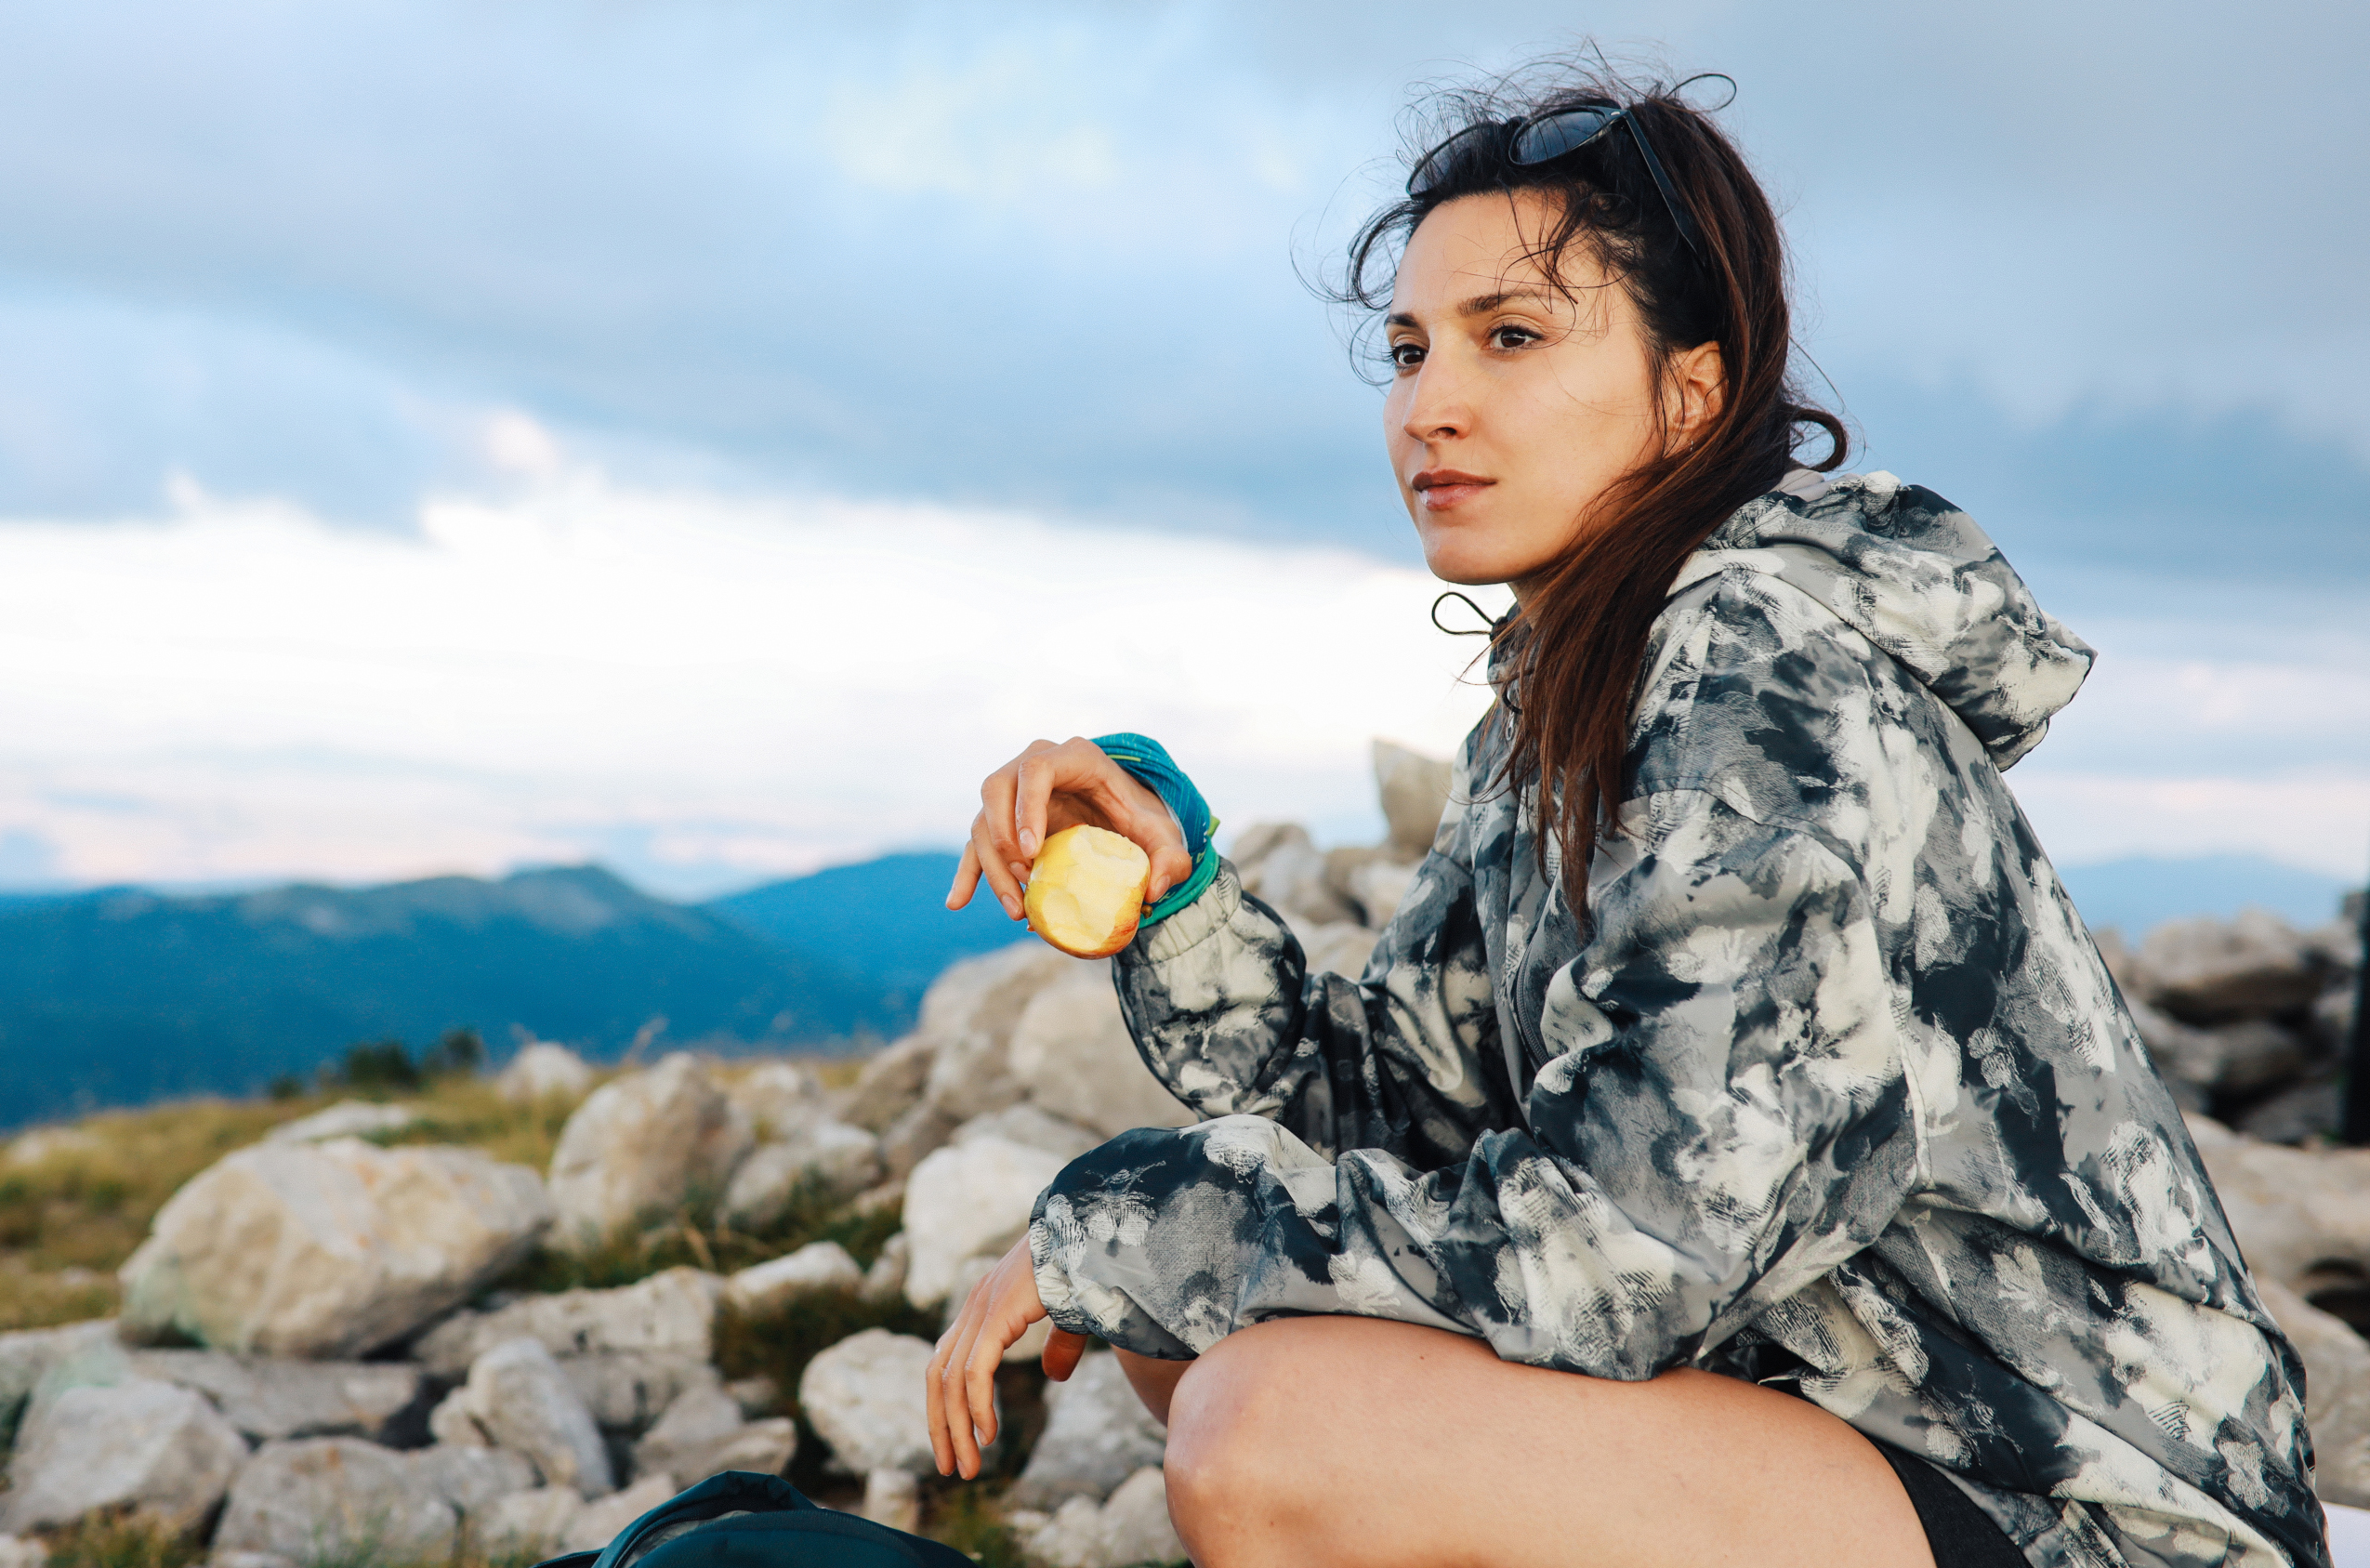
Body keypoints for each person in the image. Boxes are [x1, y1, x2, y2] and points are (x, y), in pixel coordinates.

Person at [925, 66, 2327, 1568]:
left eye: (1510, 338)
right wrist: (1174, 897)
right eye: (1407, 351)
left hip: (2079, 1494)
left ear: (1692, 391)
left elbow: (1635, 1252)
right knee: (1199, 1338)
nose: (1429, 406)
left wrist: (1139, 1227)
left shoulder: (1752, 664)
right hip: (1846, 1414)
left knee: (1268, 1420)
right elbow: (1397, 1106)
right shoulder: (1567, 692)